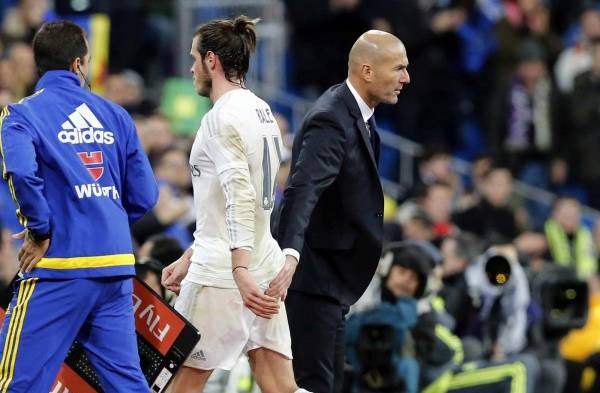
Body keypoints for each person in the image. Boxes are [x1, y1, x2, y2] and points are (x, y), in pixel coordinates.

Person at [0, 21, 158, 392]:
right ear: (78, 64)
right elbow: (146, 195)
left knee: (16, 383)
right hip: (114, 266)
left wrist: (40, 230)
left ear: (39, 64)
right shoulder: (116, 115)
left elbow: (21, 173)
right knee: (127, 385)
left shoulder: (21, 115)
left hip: (59, 267)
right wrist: (105, 216)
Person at [160, 16, 310, 393]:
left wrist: (238, 268)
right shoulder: (263, 112)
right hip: (263, 261)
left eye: (194, 58)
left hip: (225, 273)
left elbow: (240, 195)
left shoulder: (220, 118)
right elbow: (230, 204)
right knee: (282, 387)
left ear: (212, 61)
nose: (191, 68)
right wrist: (191, 254)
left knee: (177, 386)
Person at [272, 30, 410, 392]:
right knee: (313, 385)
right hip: (312, 282)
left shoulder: (359, 115)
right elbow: (302, 189)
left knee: (329, 385)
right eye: (398, 68)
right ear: (367, 71)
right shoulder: (332, 118)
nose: (405, 78)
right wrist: (289, 254)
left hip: (331, 284)